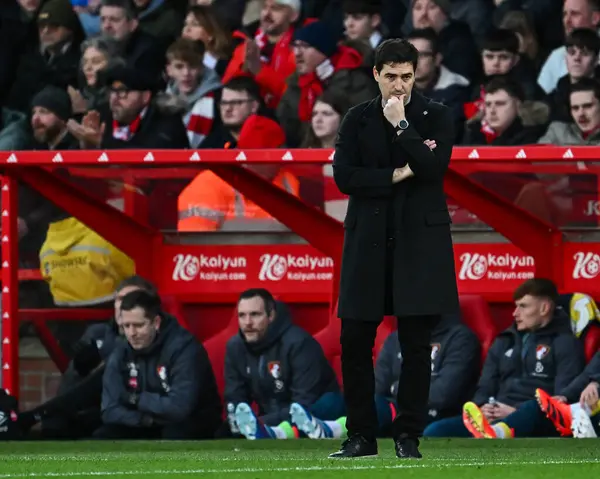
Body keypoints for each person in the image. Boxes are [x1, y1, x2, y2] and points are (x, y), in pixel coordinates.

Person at [331, 38, 459, 459]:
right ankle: (361, 436)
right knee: (354, 341)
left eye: (406, 76)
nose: (399, 85)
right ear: (376, 75)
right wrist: (397, 174)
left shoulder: (436, 116)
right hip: (366, 241)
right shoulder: (356, 118)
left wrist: (404, 126)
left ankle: (408, 436)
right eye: (391, 77)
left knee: (416, 345)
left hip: (418, 242)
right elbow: (345, 177)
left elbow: (434, 168)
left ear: (415, 73)